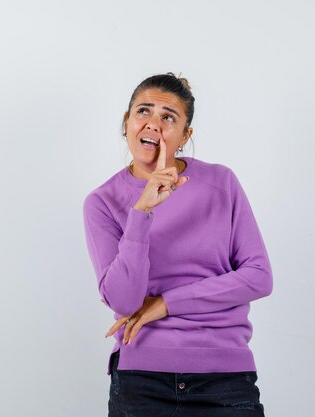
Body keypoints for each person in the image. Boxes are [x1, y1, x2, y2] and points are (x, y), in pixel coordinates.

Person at [82, 73, 273, 417]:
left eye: (168, 117)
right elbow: (124, 300)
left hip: (224, 378)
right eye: (143, 112)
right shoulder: (102, 202)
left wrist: (166, 304)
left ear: (185, 135)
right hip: (142, 381)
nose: (153, 124)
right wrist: (141, 211)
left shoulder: (221, 183)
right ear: (126, 124)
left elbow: (259, 277)